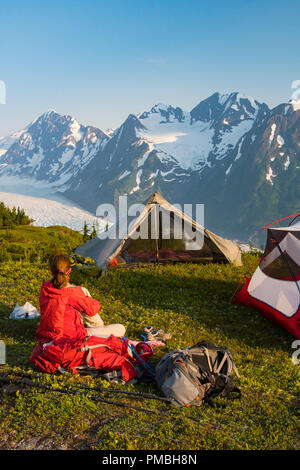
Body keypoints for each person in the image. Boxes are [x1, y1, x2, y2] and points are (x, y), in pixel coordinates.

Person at [36, 253, 125, 343]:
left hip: (47, 336)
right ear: (69, 270)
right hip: (70, 337)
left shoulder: (44, 288)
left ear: (51, 271)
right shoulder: (73, 292)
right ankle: (99, 333)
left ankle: (97, 330)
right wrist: (94, 301)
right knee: (121, 328)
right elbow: (92, 310)